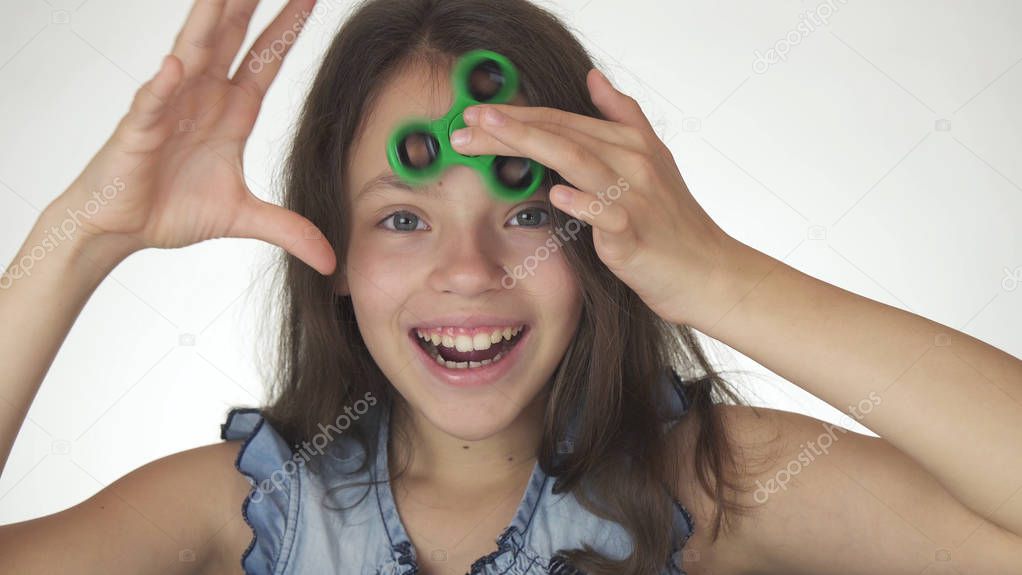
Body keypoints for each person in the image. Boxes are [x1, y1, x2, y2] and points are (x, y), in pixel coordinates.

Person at [2, 0, 1021, 574]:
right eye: (403, 218)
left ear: (597, 239)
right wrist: (81, 238)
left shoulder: (723, 486)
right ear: (336, 258)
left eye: (530, 213)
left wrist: (715, 274)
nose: (469, 269)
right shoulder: (235, 509)